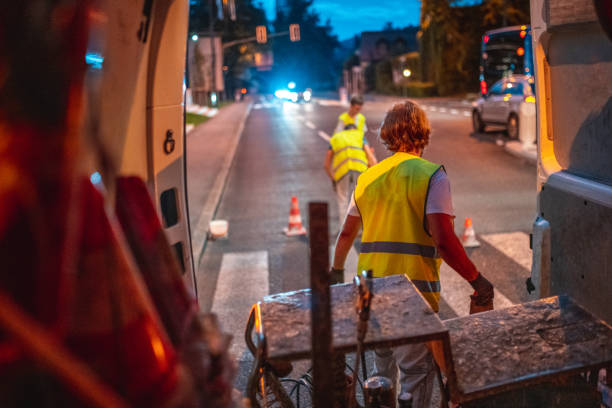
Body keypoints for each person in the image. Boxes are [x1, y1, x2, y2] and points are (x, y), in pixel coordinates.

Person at [330, 101, 494, 407]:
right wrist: (477, 280)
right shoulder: (432, 176)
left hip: (368, 294)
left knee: (381, 376)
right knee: (415, 375)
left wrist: (337, 276)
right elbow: (444, 241)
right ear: (423, 133)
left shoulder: (368, 177)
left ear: (387, 134)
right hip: (411, 296)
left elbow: (345, 235)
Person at [324, 124, 377, 223]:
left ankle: (343, 231)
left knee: (342, 200)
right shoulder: (360, 136)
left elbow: (326, 164)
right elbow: (371, 157)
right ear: (355, 129)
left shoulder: (336, 138)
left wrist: (333, 178)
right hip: (361, 170)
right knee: (361, 200)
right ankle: (363, 230)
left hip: (342, 172)